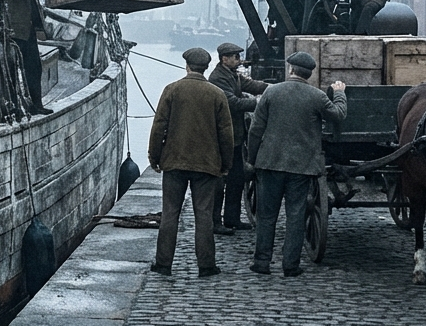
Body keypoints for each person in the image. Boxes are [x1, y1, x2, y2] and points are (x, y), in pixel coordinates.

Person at [245, 51, 347, 277]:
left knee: (267, 215)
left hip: (270, 163)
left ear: (290, 69)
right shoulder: (317, 96)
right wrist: (339, 93)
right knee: (296, 214)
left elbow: (255, 131)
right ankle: (290, 265)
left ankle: (262, 262)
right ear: (309, 74)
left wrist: (253, 159)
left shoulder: (271, 93)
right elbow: (338, 115)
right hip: (301, 166)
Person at [147, 47, 235, 278]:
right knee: (204, 215)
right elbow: (226, 133)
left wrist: (154, 157)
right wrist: (226, 163)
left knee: (170, 214)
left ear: (187, 65)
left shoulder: (172, 90)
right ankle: (206, 266)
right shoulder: (217, 94)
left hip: (174, 162)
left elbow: (159, 127)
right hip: (207, 165)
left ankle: (164, 264)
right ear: (205, 67)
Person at [208, 41, 269, 233]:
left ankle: (232, 219)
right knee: (219, 182)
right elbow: (232, 103)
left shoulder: (232, 75)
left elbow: (252, 85)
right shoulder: (218, 78)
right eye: (235, 56)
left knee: (236, 179)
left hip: (235, 137)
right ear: (224, 58)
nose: (239, 59)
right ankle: (215, 222)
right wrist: (256, 103)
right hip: (222, 138)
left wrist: (273, 89)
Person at [0, 0, 54, 115]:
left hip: (28, 30)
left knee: (34, 67)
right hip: (14, 31)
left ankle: (36, 104)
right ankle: (14, 107)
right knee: (13, 71)